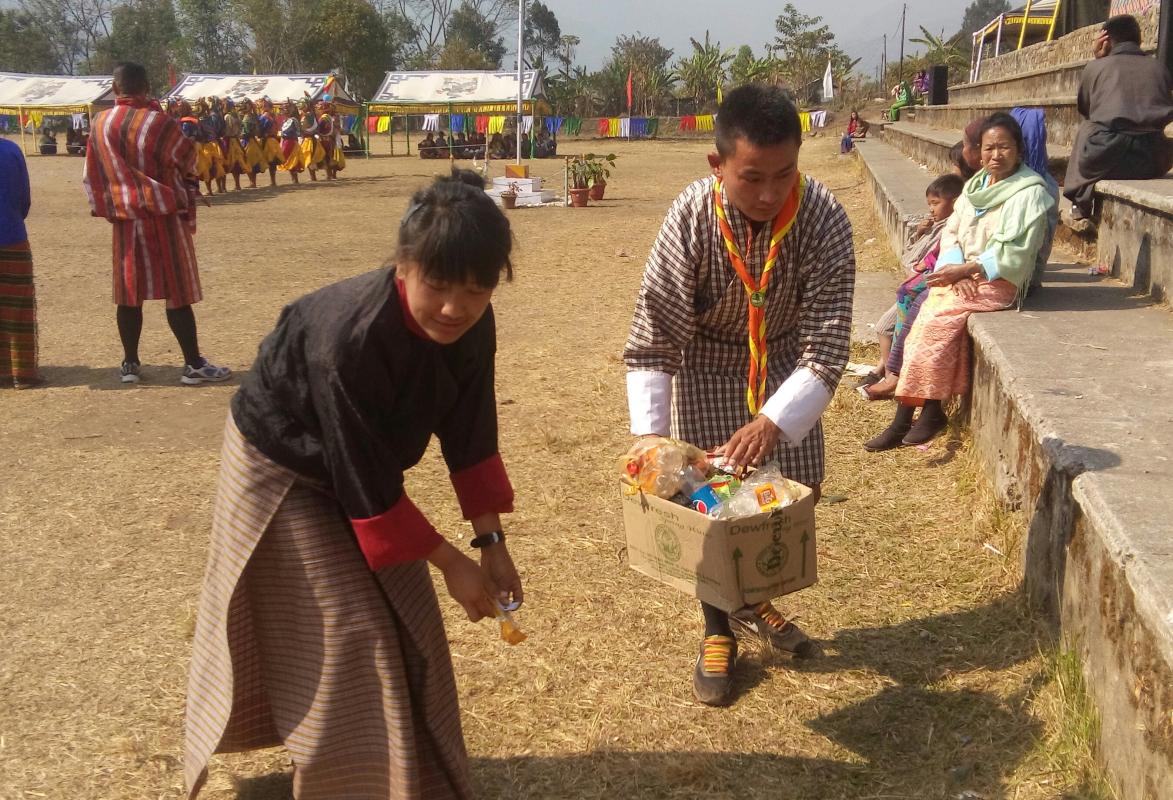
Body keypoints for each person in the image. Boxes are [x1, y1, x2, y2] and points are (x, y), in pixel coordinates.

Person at [184, 169, 521, 799]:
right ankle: (347, 783)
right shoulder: (349, 339)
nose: (455, 308)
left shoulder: (475, 323)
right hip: (285, 462)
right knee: (349, 633)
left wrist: (489, 543)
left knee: (410, 619)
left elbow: (472, 430)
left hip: (361, 467)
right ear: (403, 266)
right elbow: (360, 479)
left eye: (476, 290)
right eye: (438, 285)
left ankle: (412, 773)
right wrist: (448, 560)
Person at [624, 84, 855, 706]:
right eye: (751, 177)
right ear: (717, 164)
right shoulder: (691, 218)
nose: (769, 194)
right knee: (706, 502)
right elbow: (654, 338)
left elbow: (829, 344)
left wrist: (772, 422)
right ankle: (717, 628)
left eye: (784, 175)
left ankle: (755, 598)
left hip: (786, 368)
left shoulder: (825, 219)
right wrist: (651, 438)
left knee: (774, 501)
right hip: (708, 367)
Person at [864, 113, 1054, 450]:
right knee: (925, 312)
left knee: (936, 319)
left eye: (1004, 147)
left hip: (998, 281)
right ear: (979, 152)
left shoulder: (1030, 193)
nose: (996, 155)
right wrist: (956, 269)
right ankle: (915, 413)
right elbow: (951, 236)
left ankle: (921, 413)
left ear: (1019, 150)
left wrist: (968, 271)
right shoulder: (976, 188)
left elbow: (1018, 253)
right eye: (989, 148)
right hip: (962, 277)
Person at [82, 62, 231, 386]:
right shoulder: (159, 123)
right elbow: (188, 159)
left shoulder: (101, 123)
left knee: (128, 293)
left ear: (115, 88)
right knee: (177, 291)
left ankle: (130, 364)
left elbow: (92, 171)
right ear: (146, 87)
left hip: (125, 219)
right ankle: (192, 365)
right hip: (163, 216)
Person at [858, 174, 963, 401]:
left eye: (936, 204)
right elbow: (910, 258)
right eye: (930, 205)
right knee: (885, 327)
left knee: (894, 328)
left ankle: (892, 377)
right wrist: (919, 233)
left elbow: (923, 264)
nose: (932, 210)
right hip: (912, 288)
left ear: (954, 202)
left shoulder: (950, 230)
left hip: (921, 291)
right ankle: (887, 373)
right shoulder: (935, 227)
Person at [1063, 14, 1173, 220]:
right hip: (1155, 159)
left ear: (1105, 40)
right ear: (1138, 40)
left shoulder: (1095, 67)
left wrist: (1098, 60)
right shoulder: (1160, 68)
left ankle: (1080, 202)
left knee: (1087, 127)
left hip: (1107, 159)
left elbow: (1087, 110)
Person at [0, 136, 42, 389]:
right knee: (17, 306)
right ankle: (20, 372)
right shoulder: (11, 150)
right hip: (11, 235)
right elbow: (23, 199)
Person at [278, 100, 303, 183]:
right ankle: (293, 178)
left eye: (284, 109)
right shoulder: (284, 121)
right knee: (287, 159)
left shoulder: (294, 120)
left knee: (293, 159)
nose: (282, 111)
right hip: (285, 142)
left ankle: (295, 179)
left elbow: (298, 132)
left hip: (292, 142)